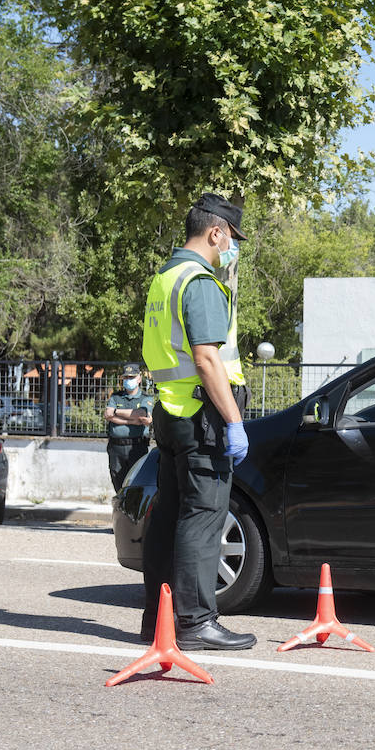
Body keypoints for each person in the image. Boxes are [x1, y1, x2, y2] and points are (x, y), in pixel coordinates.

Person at [139, 192, 255, 651]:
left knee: (168, 516)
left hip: (171, 412)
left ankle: (159, 620)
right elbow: (208, 359)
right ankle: (196, 621)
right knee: (203, 516)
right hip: (202, 414)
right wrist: (233, 420)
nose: (232, 248)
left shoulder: (164, 278)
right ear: (215, 232)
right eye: (231, 238)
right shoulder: (200, 282)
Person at [103, 363, 154, 491]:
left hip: (136, 446)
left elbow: (141, 413)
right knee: (118, 483)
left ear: (139, 379)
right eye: (126, 377)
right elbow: (107, 415)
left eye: (132, 377)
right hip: (116, 448)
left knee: (136, 484)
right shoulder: (116, 397)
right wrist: (132, 421)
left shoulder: (145, 398)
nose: (128, 380)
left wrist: (116, 412)